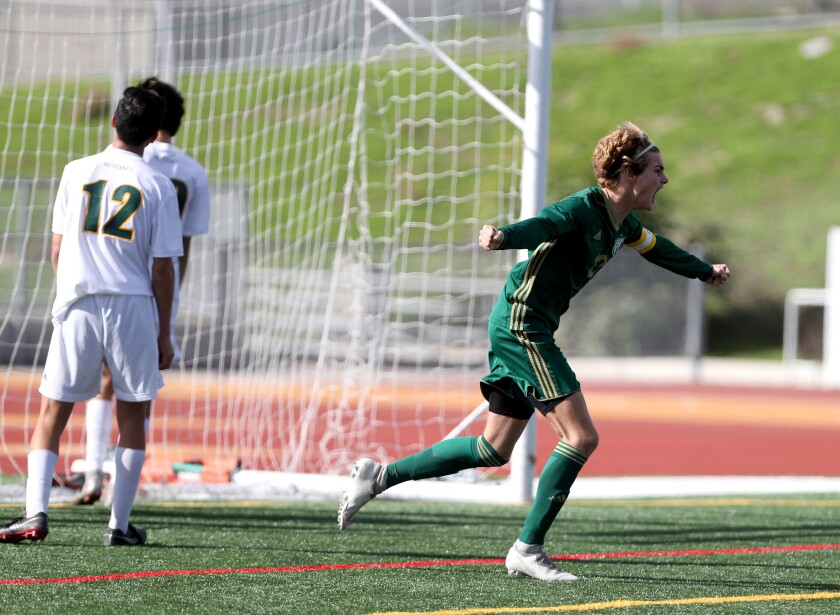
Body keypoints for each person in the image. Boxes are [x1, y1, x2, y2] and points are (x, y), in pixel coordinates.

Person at [337, 122, 731, 581]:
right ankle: (528, 548)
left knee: (492, 448)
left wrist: (703, 271)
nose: (664, 179)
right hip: (523, 327)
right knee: (581, 437)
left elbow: (658, 249)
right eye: (658, 170)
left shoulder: (625, 226)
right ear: (628, 172)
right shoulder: (585, 208)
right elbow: (546, 224)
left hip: (522, 324)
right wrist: (505, 237)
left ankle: (379, 476)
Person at [0, 87, 183, 545]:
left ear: (114, 123)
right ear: (153, 135)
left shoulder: (75, 171)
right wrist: (164, 331)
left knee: (52, 410)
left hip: (79, 300)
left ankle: (35, 515)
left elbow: (58, 248)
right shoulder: (158, 183)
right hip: (132, 305)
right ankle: (118, 526)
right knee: (133, 416)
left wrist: (69, 296)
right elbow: (163, 267)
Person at [74, 77, 211, 506]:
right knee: (140, 392)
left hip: (101, 285)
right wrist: (167, 311)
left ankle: (93, 472)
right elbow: (179, 250)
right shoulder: (190, 172)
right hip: (151, 293)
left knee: (101, 383)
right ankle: (123, 493)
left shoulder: (117, 160)